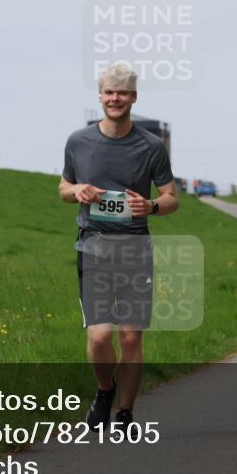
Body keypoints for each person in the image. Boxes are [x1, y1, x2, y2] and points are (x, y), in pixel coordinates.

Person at [59, 64, 178, 429]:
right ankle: (105, 388)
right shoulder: (78, 141)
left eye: (123, 92)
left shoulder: (151, 145)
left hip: (134, 249)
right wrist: (77, 190)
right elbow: (63, 188)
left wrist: (152, 206)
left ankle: (125, 413)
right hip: (93, 246)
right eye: (109, 92)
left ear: (134, 97)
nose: (115, 98)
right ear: (100, 95)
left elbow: (172, 197)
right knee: (98, 338)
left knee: (129, 338)